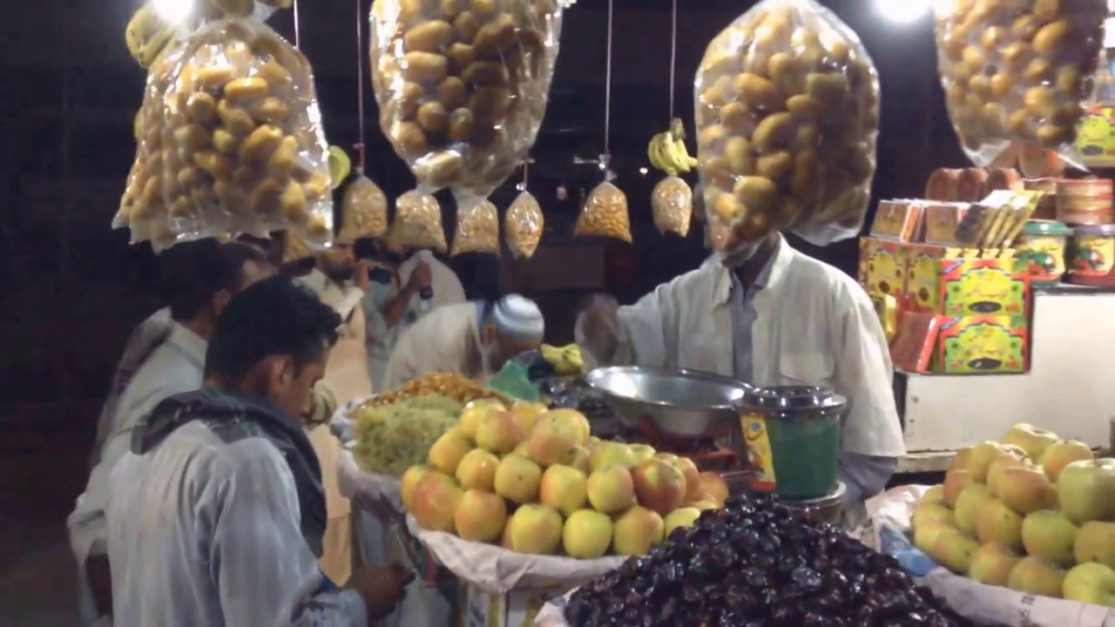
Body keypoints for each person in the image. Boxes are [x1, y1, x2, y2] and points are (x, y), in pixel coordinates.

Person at [104, 276, 413, 626]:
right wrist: (361, 601)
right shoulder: (246, 463)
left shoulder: (142, 450)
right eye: (311, 384)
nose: (307, 406)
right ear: (282, 373)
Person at [577, 229, 906, 512]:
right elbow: (624, 358)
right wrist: (600, 330)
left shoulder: (835, 297)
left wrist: (810, 509)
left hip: (809, 533)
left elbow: (872, 454)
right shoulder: (683, 297)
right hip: (706, 519)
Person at [68, 239, 272, 626]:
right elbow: (94, 528)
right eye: (261, 303)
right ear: (223, 304)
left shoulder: (200, 372)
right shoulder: (173, 387)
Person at [287, 229, 371, 586]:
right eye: (340, 246)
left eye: (352, 246)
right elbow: (322, 327)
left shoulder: (353, 295)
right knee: (329, 541)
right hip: (319, 430)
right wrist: (357, 292)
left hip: (355, 430)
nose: (349, 255)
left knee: (355, 544)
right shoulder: (301, 290)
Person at [383, 294, 545, 390]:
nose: (515, 365)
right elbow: (431, 406)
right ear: (490, 334)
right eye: (511, 354)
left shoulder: (487, 337)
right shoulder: (446, 337)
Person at [355, 237, 434, 391]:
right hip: (373, 375)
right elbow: (378, 330)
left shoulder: (406, 274)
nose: (403, 238)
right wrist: (410, 289)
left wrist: (425, 292)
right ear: (377, 243)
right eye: (396, 233)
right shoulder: (368, 276)